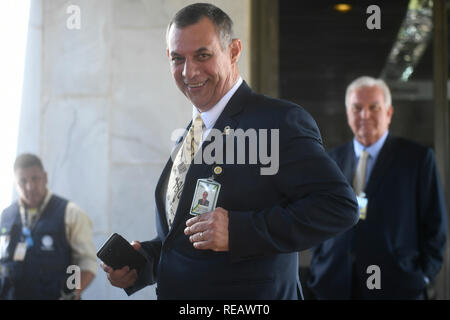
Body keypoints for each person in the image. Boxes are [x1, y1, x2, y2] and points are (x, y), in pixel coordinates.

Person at [101, 3, 358, 299]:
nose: (189, 71)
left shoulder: (278, 121)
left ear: (234, 51)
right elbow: (188, 237)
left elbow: (339, 207)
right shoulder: (191, 133)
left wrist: (238, 231)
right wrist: (143, 263)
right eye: (177, 59)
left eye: (203, 55)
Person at [307, 76, 448, 299]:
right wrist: (318, 266)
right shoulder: (330, 160)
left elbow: (435, 226)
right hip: (334, 284)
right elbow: (317, 220)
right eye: (357, 108)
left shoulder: (417, 159)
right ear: (347, 113)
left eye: (374, 107)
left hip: (396, 286)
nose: (365, 115)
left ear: (389, 113)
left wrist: (423, 277)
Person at [0, 153, 98, 300]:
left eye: (35, 178)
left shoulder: (70, 213)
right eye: (22, 181)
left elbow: (86, 264)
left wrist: (71, 295)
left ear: (45, 177)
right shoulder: (6, 216)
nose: (30, 186)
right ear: (15, 184)